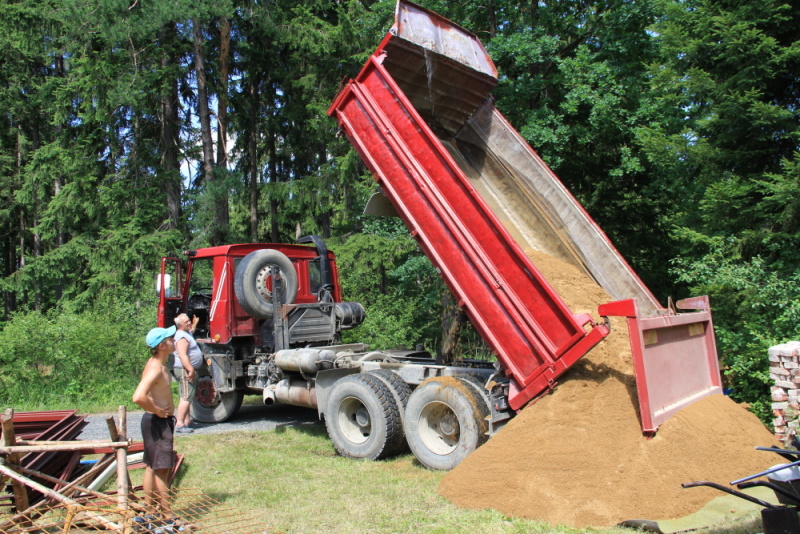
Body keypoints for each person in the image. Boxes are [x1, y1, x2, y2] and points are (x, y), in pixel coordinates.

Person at [133, 326, 177, 522]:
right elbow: (138, 396)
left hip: (155, 421)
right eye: (171, 339)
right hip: (158, 422)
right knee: (162, 470)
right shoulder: (156, 368)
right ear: (162, 345)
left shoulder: (157, 363)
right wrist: (158, 410)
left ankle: (149, 512)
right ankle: (167, 517)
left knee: (151, 466)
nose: (174, 341)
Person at [172, 313, 202, 433]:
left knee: (188, 396)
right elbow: (182, 355)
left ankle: (187, 421)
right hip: (185, 370)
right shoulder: (181, 337)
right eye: (186, 322)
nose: (189, 323)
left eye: (189, 321)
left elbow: (192, 330)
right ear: (180, 325)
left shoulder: (186, 332)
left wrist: (194, 323)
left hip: (187, 370)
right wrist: (190, 369)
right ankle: (179, 424)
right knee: (186, 396)